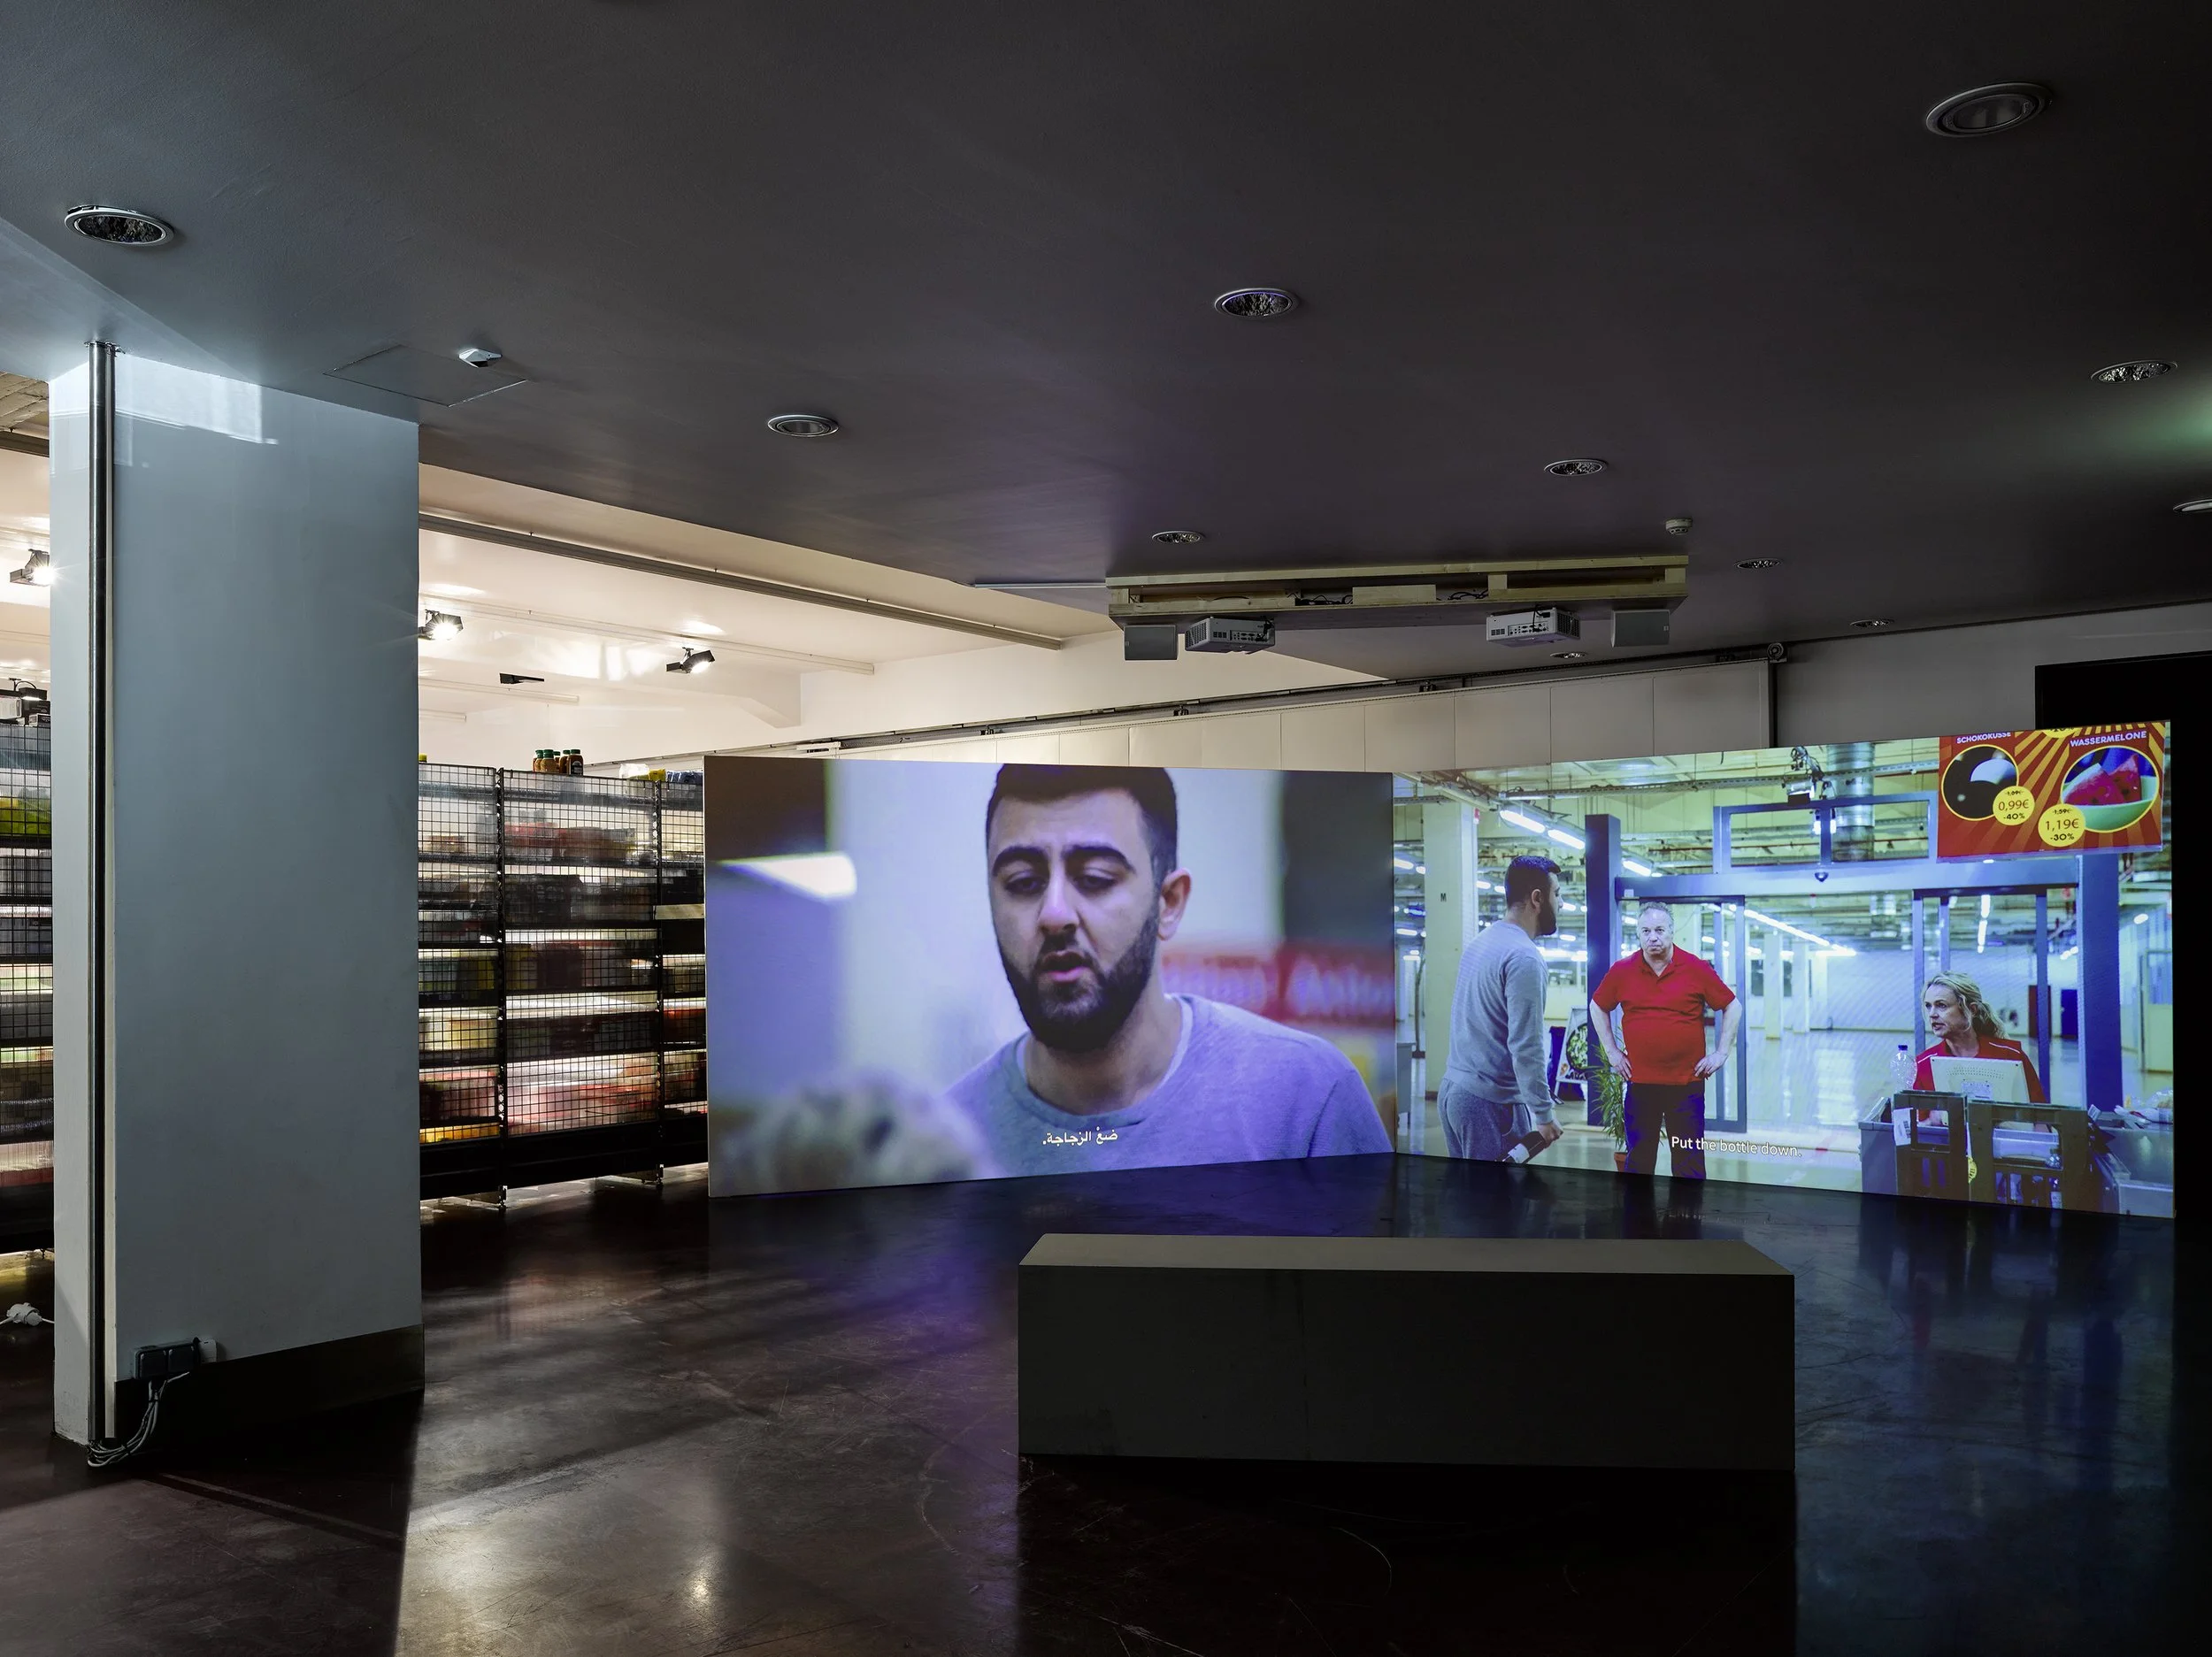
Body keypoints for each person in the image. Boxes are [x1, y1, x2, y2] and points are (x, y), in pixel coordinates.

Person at [947, 764, 1392, 1173]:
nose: (1055, 914)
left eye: (1096, 878)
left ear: (1169, 903)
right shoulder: (944, 1149)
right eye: (1023, 883)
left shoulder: (1307, 1102)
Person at [1589, 903, 1741, 1178]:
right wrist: (1612, 1052)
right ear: (1638, 934)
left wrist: (1721, 1053)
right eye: (1646, 931)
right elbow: (1597, 1006)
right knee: (1639, 1162)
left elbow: (1733, 1006)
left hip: (1686, 1087)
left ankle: (1687, 1208)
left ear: (1672, 931)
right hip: (1641, 1086)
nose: (1653, 937)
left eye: (1659, 930)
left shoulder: (1695, 968)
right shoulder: (1622, 971)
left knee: (1689, 1164)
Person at [1437, 855, 1565, 1161]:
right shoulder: (1524, 958)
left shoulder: (1481, 942)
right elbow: (1527, 1045)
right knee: (1496, 1193)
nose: (1561, 904)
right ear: (1537, 899)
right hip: (1490, 1104)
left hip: (1454, 1093)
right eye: (1557, 894)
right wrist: (1543, 1114)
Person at [1916, 971, 2045, 1101]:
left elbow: (2039, 1111)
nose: (1932, 1014)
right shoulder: (1923, 1064)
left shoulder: (2011, 1056)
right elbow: (1917, 1113)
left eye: (1941, 1005)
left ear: (1972, 1010)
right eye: (1928, 1006)